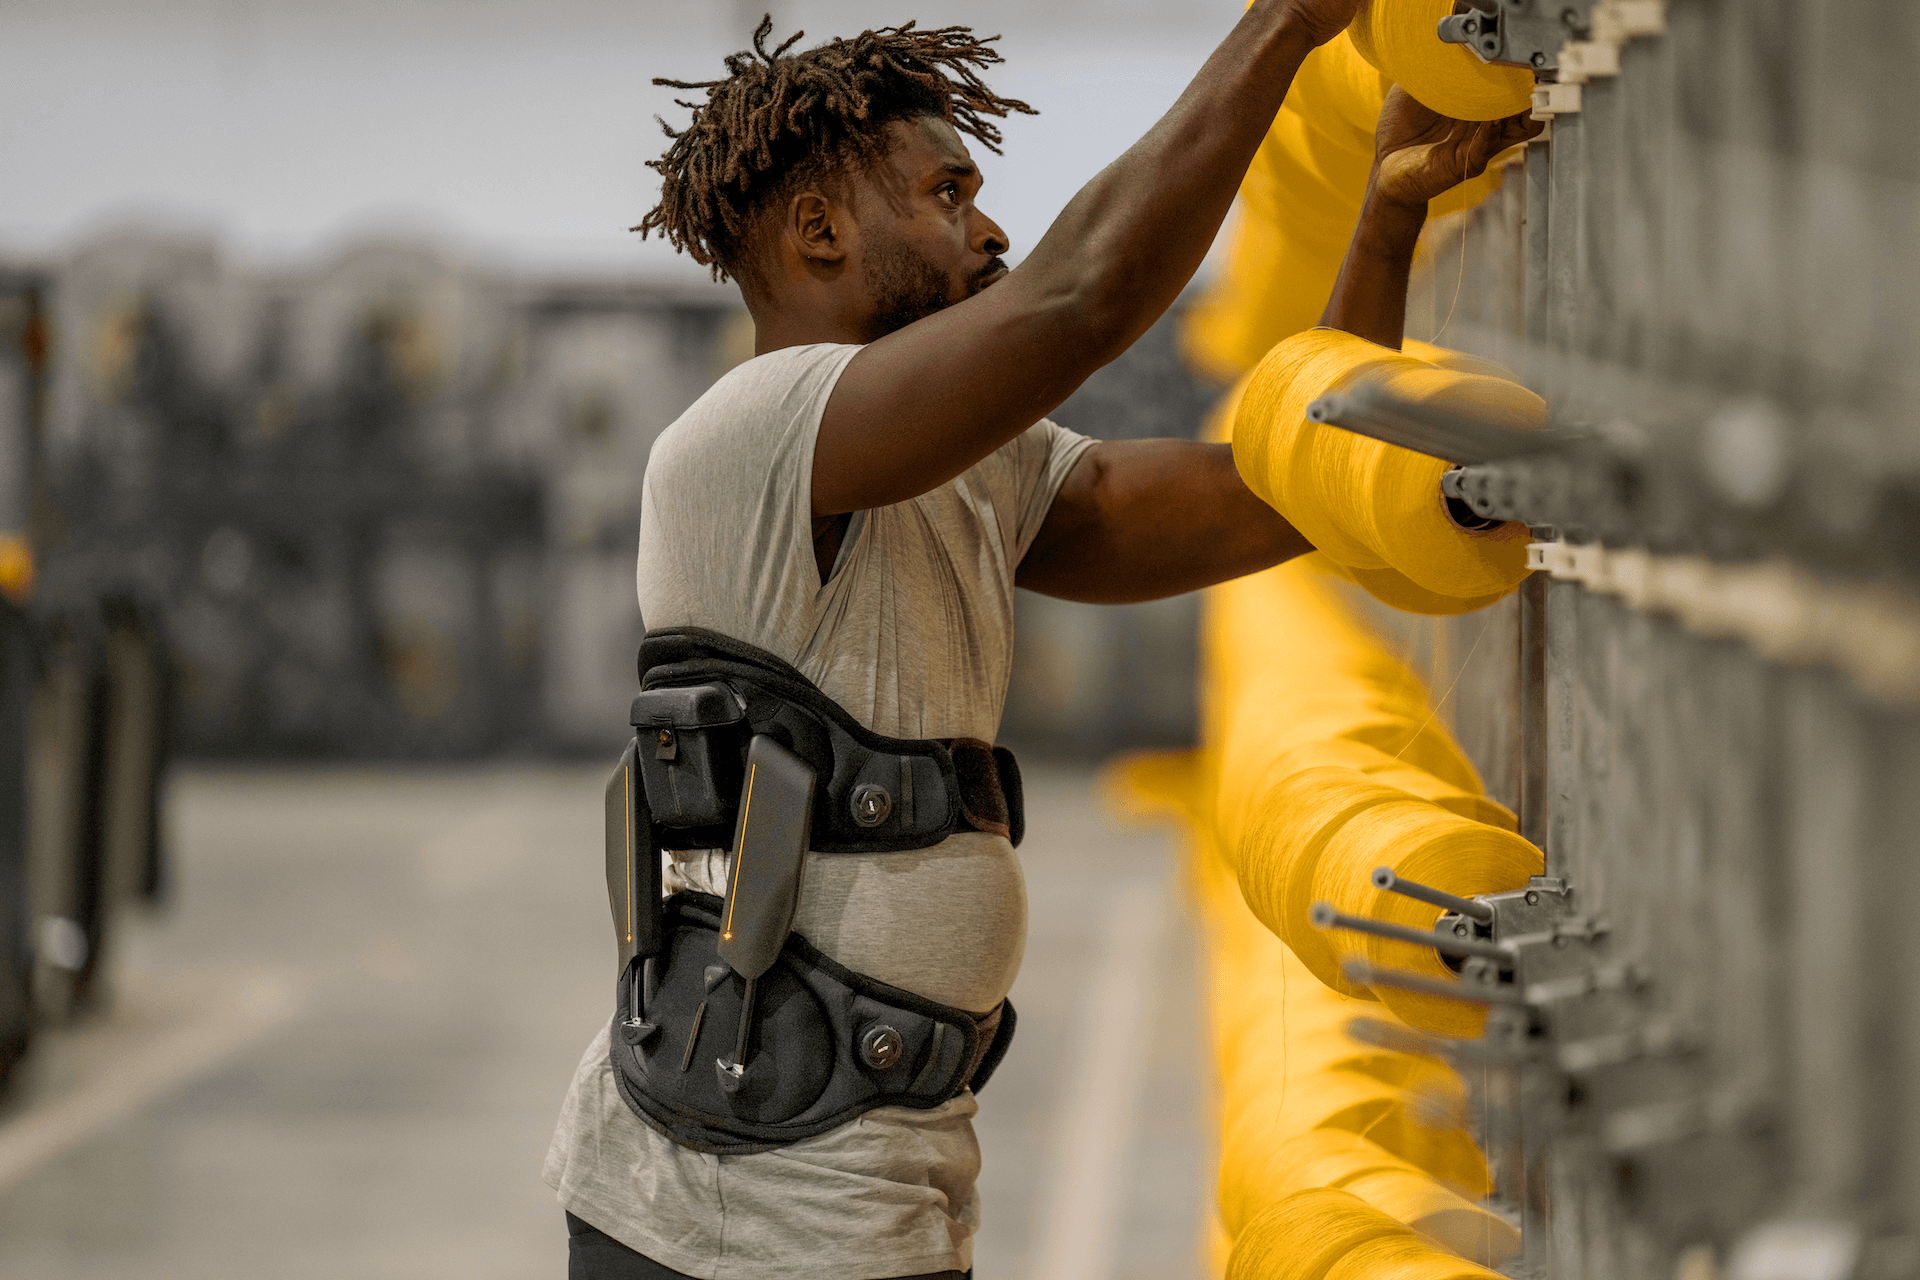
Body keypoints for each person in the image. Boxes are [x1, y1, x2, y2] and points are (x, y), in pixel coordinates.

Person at [543, 8, 1540, 1278]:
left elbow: (1286, 493)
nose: (991, 228)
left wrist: (1387, 217)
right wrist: (1290, 24)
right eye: (949, 191)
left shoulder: (970, 474)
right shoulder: (746, 438)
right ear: (819, 232)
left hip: (866, 1193)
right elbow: (1084, 298)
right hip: (722, 1224)